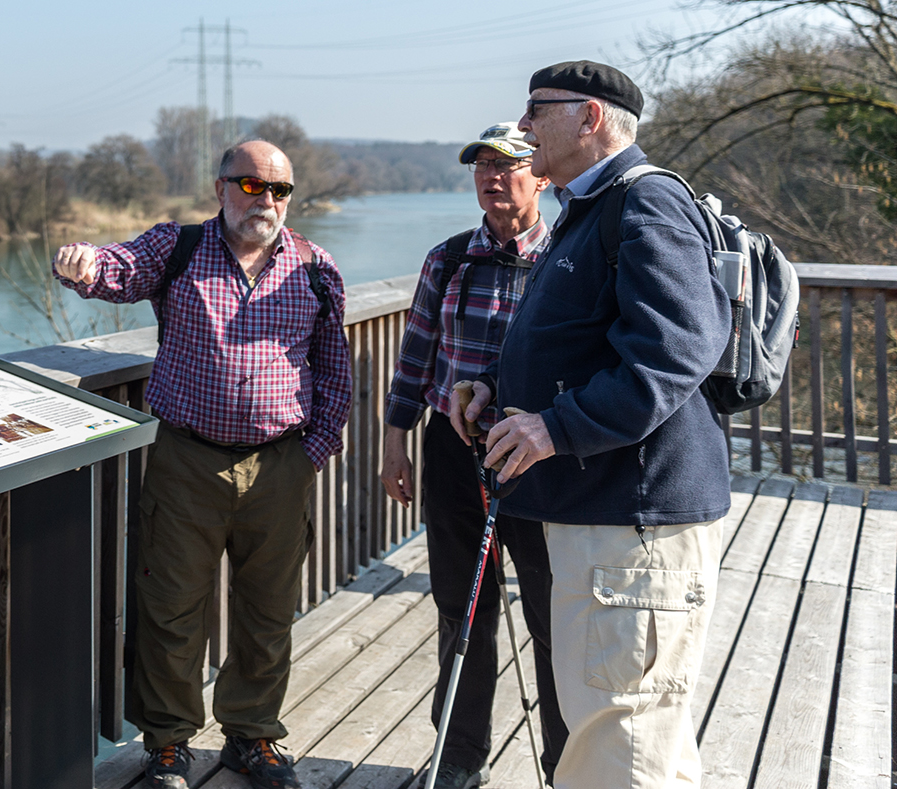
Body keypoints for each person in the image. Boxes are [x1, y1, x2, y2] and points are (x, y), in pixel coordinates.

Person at [459, 61, 732, 789]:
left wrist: (555, 427)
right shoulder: (593, 208)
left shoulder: (644, 204)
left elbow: (674, 351)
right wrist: (494, 388)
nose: (521, 128)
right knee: (638, 740)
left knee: (621, 747)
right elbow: (589, 343)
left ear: (589, 117)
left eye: (534, 111)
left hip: (631, 533)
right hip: (606, 528)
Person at [52, 139, 349, 789]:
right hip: (186, 460)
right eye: (250, 185)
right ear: (220, 188)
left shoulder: (315, 266)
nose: (265, 199)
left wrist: (312, 452)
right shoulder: (179, 247)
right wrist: (82, 264)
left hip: (280, 463)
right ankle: (167, 742)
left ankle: (252, 734)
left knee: (267, 610)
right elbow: (117, 268)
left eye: (279, 189)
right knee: (170, 605)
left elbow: (335, 371)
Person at [380, 123, 568, 788]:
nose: (492, 177)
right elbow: (415, 359)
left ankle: (564, 759)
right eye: (482, 166)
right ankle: (460, 754)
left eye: (508, 165)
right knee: (461, 605)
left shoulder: (567, 258)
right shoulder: (449, 259)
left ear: (541, 175)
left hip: (537, 456)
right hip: (455, 453)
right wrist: (396, 439)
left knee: (552, 609)